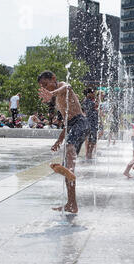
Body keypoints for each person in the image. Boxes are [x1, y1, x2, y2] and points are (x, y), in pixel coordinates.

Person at [38, 70, 90, 215]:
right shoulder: (58, 101)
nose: (45, 88)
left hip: (81, 123)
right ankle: (71, 204)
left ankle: (70, 170)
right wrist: (58, 141)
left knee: (69, 152)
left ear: (53, 79)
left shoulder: (62, 86)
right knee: (67, 169)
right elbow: (67, 123)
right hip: (73, 126)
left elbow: (67, 87)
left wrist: (52, 93)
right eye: (42, 86)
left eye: (45, 84)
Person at [82, 88, 98, 160]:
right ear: (88, 94)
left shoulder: (87, 101)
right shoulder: (88, 101)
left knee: (91, 139)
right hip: (91, 122)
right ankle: (89, 154)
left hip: (92, 122)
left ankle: (89, 154)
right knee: (92, 138)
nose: (94, 94)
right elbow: (96, 106)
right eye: (93, 93)